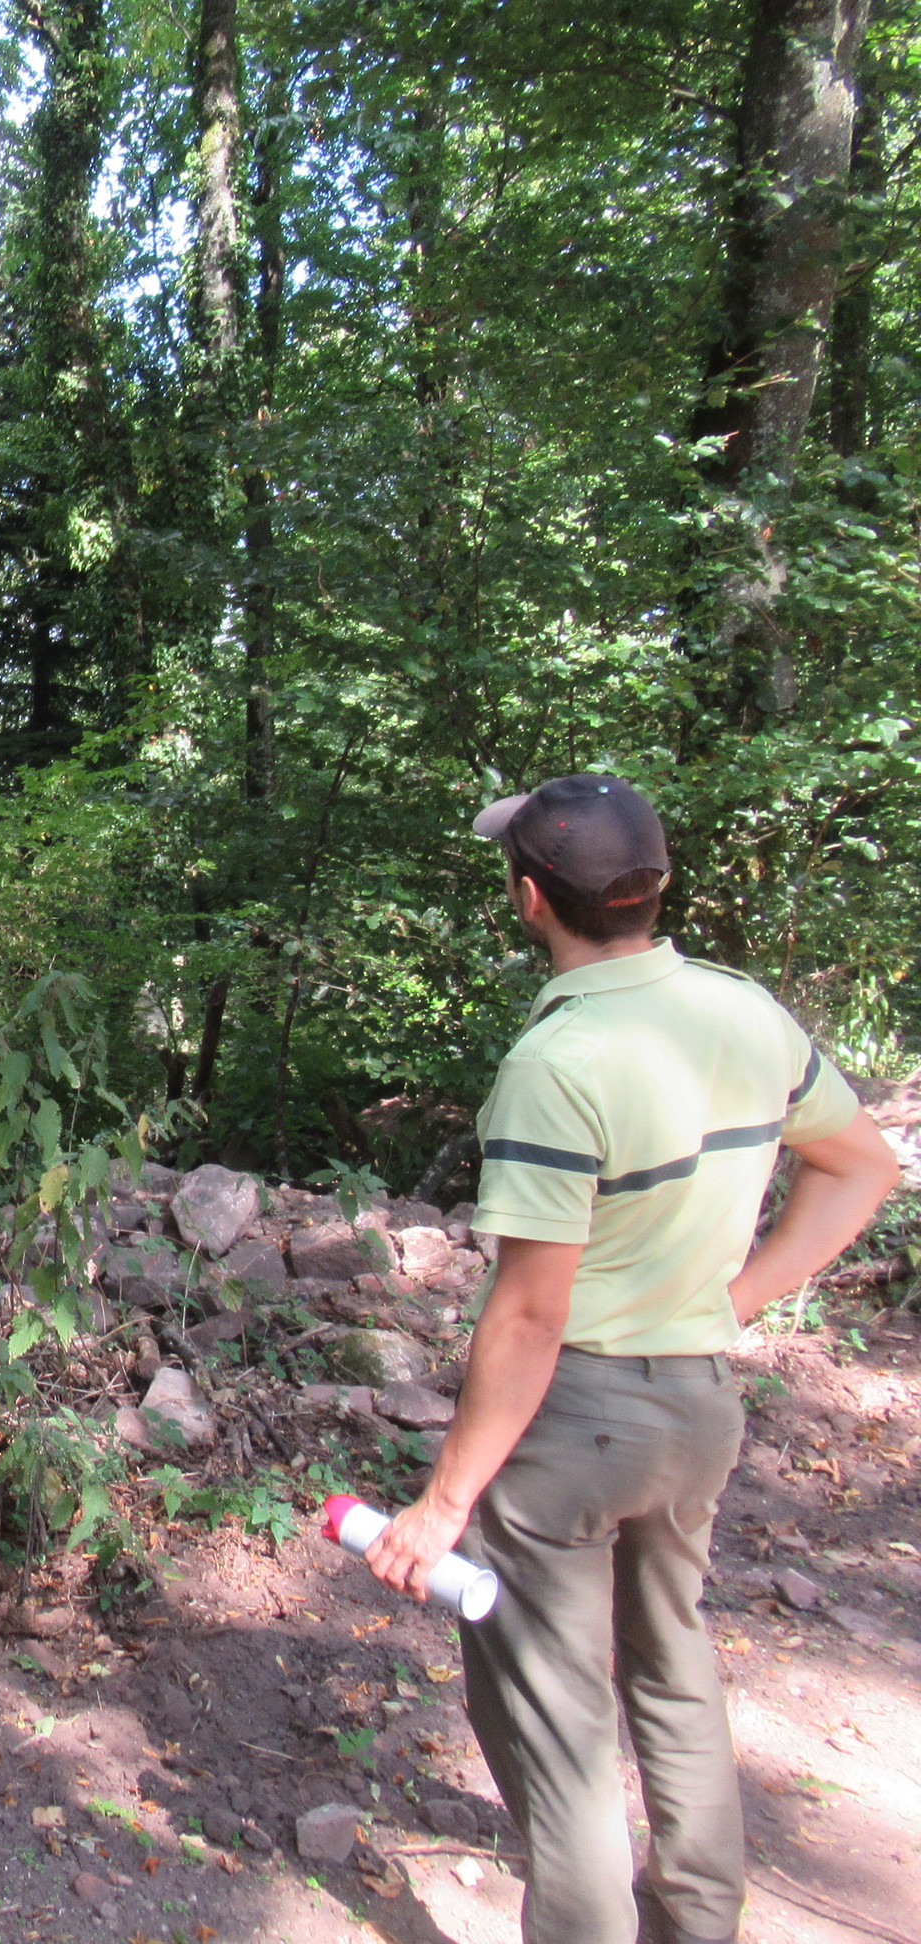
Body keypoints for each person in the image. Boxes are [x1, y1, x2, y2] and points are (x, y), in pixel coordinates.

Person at [362, 775, 899, 1944]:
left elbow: (527, 1318)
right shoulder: (744, 1012)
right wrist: (736, 1298)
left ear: (530, 900)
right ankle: (699, 1920)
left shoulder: (561, 1061)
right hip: (699, 1402)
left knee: (557, 1722)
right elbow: (864, 1165)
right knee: (672, 1662)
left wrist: (442, 1506)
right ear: (652, 887)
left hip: (578, 1422)